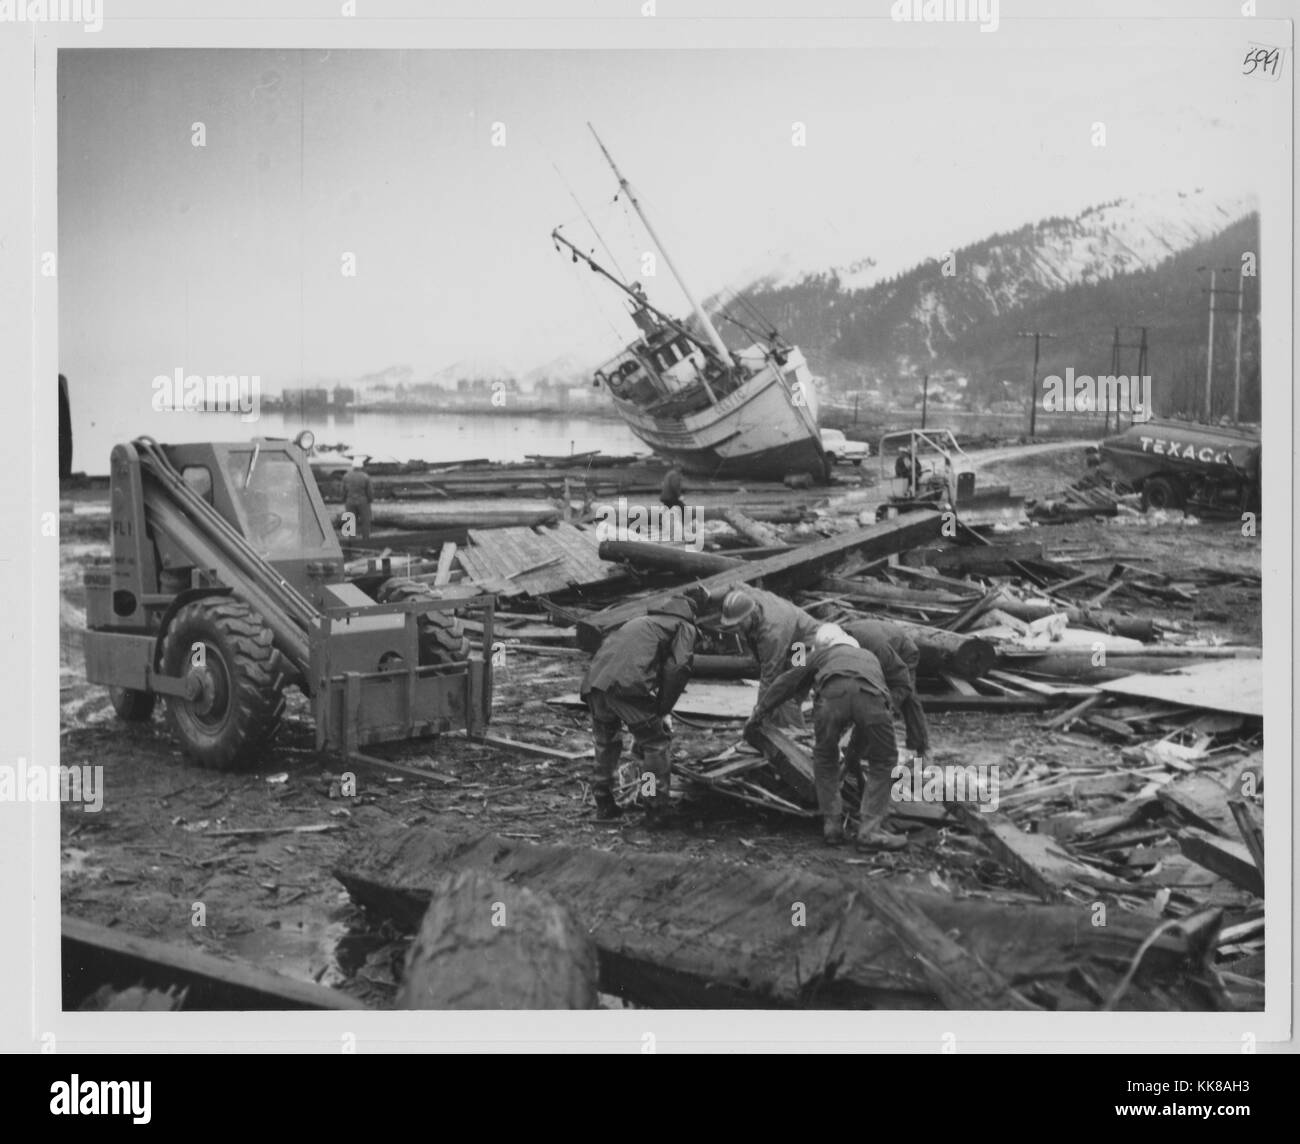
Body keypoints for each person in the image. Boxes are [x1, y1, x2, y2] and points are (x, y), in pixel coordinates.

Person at [746, 623, 906, 851]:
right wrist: (854, 753)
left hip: (831, 698)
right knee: (884, 761)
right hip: (873, 700)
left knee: (825, 758)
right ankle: (870, 832)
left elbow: (787, 682)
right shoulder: (870, 656)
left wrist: (760, 711)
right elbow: (872, 700)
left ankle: (832, 825)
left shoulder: (820, 655)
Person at [579, 596, 697, 827]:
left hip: (595, 684)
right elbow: (679, 666)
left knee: (606, 742)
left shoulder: (640, 622)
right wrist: (663, 708)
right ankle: (653, 807)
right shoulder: (685, 626)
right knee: (655, 744)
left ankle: (604, 802)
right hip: (625, 687)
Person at [714, 588, 821, 734]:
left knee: (787, 694)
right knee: (779, 694)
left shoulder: (772, 633)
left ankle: (797, 738)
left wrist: (758, 713)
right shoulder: (747, 597)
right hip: (790, 637)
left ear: (750, 615)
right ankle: (777, 729)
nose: (737, 629)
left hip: (802, 644)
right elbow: (732, 584)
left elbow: (769, 676)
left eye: (739, 623)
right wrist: (708, 594)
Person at [842, 618, 931, 759]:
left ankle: (922, 748)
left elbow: (902, 682)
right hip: (879, 648)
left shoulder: (877, 648)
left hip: (903, 653)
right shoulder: (836, 640)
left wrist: (888, 705)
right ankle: (861, 748)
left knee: (907, 699)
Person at [340, 456, 373, 541]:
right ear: (361, 466)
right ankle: (366, 540)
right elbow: (369, 491)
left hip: (350, 501)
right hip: (363, 501)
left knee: (350, 521)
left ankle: (352, 541)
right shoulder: (365, 477)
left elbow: (343, 490)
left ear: (353, 466)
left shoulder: (346, 476)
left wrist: (344, 499)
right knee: (365, 521)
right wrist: (370, 500)